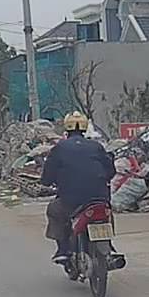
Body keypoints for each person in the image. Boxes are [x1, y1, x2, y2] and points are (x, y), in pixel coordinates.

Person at [40, 112, 114, 264]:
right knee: (106, 213)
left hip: (71, 200)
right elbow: (111, 171)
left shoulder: (59, 148)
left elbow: (47, 176)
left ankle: (63, 249)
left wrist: (48, 182)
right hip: (100, 198)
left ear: (66, 128)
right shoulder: (96, 146)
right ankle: (109, 244)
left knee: (54, 210)